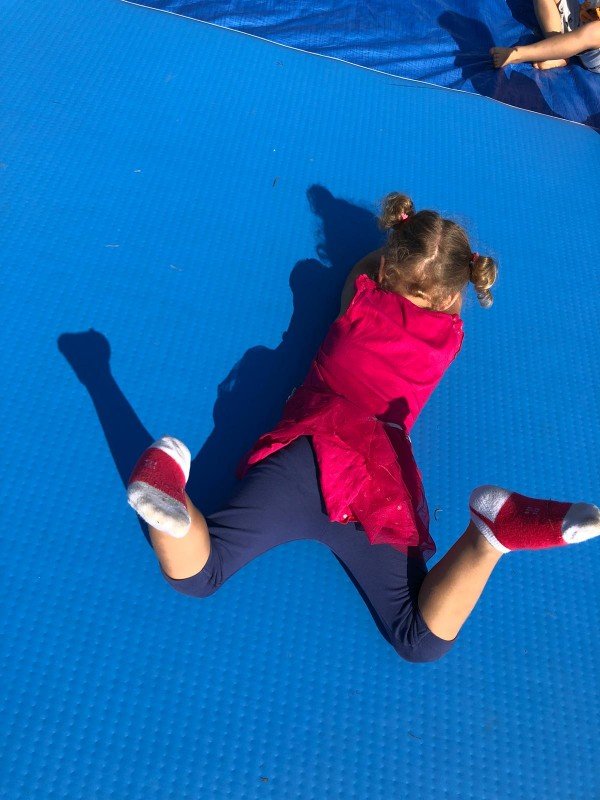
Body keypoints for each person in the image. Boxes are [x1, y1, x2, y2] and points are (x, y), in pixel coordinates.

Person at [127, 193, 600, 663]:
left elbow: (369, 266)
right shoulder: (449, 336)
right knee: (418, 640)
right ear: (453, 295)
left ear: (387, 267)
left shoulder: (360, 297)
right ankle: (490, 537)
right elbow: (436, 292)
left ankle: (170, 483)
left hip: (309, 449)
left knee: (202, 575)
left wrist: (393, 248)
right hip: (377, 482)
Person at [491, 0, 600, 71]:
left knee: (595, 31)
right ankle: (558, 51)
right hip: (582, 19)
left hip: (594, 46)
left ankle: (517, 54)